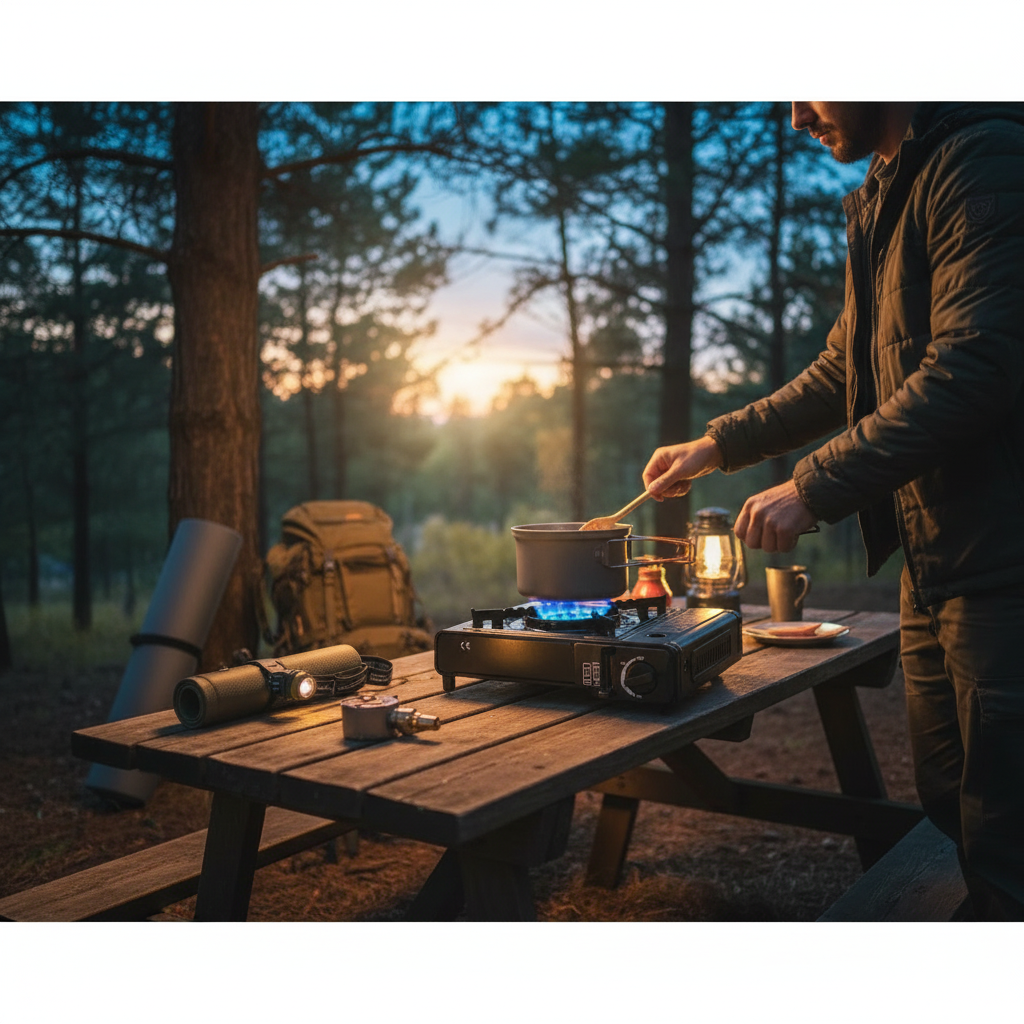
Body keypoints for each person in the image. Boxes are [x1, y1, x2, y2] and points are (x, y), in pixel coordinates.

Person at [642, 102, 1024, 920]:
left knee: (1007, 824)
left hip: (1005, 559)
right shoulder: (891, 190)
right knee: (951, 793)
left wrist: (811, 485)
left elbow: (978, 365)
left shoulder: (984, 159)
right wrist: (714, 446)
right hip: (939, 558)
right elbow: (839, 372)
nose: (792, 117)